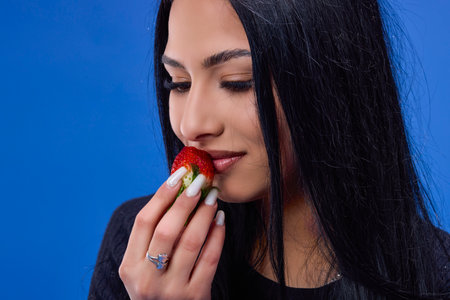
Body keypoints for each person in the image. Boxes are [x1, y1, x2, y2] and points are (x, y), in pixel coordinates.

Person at [88, 0, 450, 299]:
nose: (191, 125)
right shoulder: (142, 258)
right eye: (178, 83)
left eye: (237, 82)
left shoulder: (436, 276)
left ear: (332, 83)